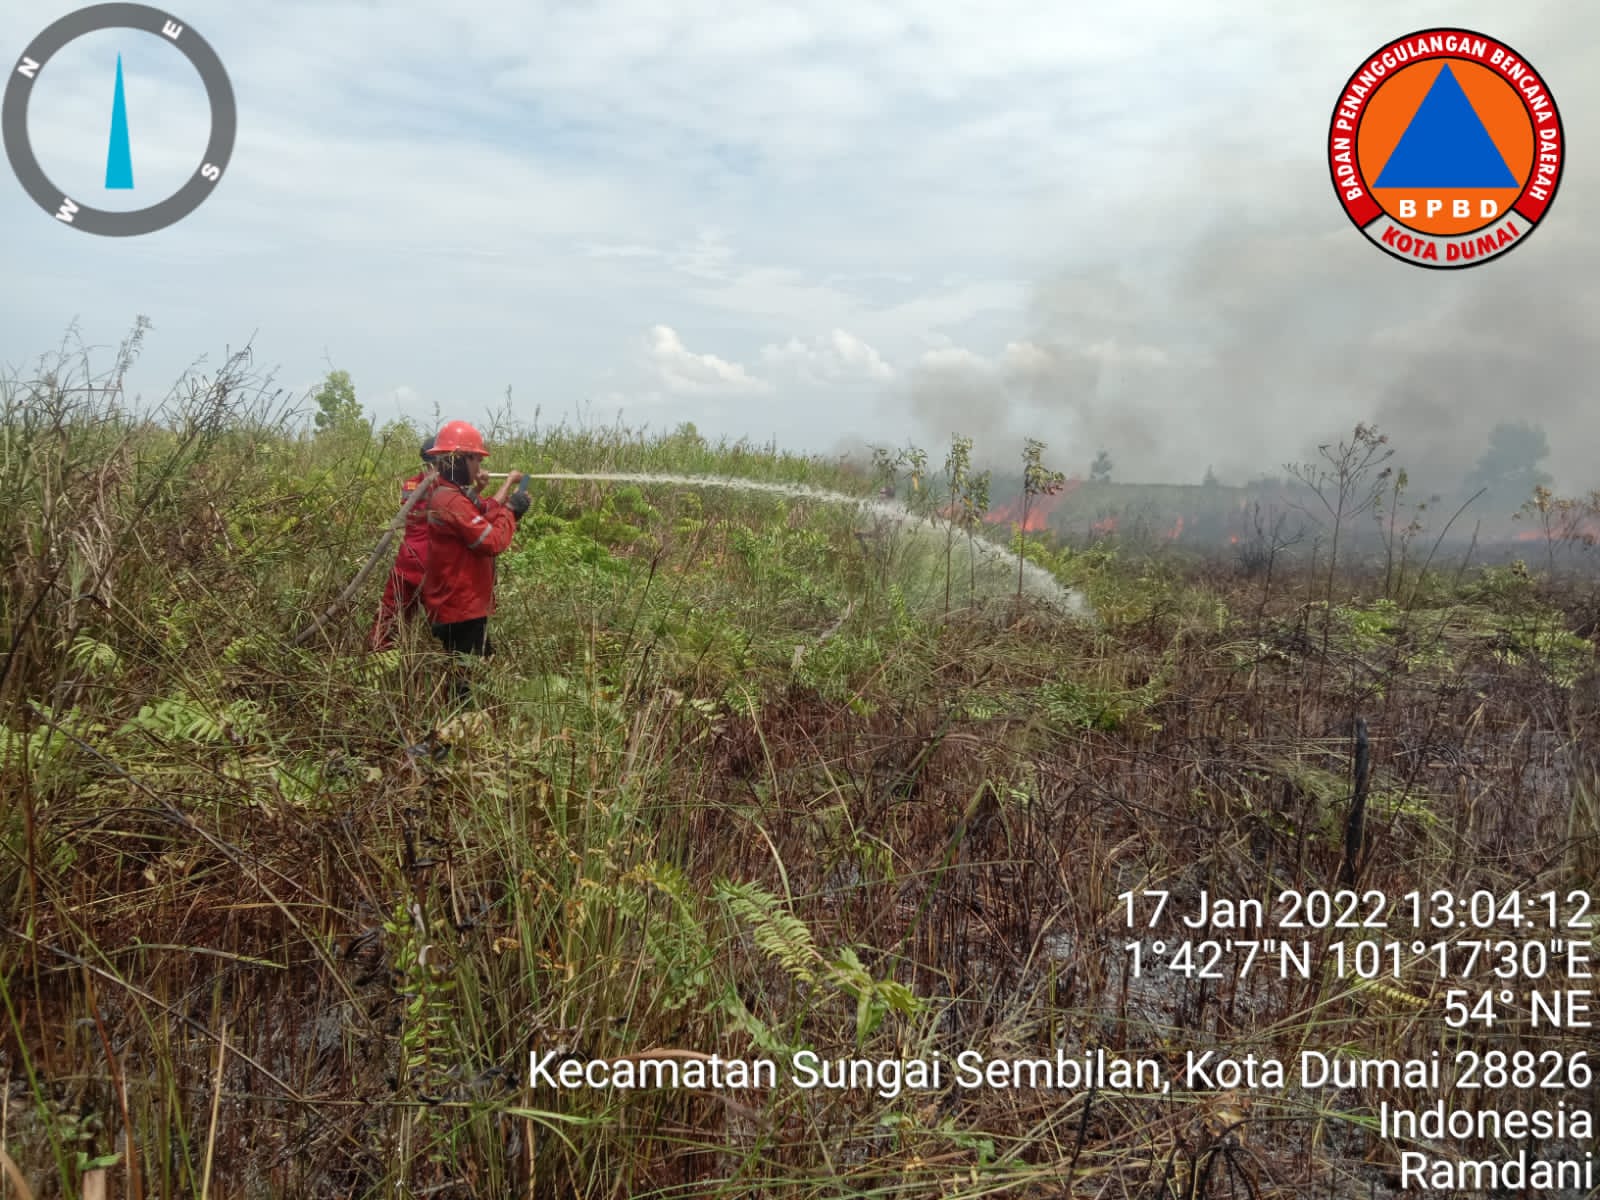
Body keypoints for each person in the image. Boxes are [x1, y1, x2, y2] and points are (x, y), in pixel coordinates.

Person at [420, 420, 530, 701]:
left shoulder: (450, 496)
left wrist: (502, 499)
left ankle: (464, 732)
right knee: (464, 686)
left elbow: (483, 512)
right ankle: (451, 739)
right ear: (460, 459)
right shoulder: (451, 502)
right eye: (476, 459)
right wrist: (513, 512)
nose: (479, 467)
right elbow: (492, 542)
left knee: (477, 667)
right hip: (460, 606)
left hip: (459, 604)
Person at [367, 436, 440, 651]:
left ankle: (380, 656)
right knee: (441, 621)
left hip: (407, 561)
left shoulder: (415, 483)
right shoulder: (434, 486)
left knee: (391, 615)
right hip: (429, 565)